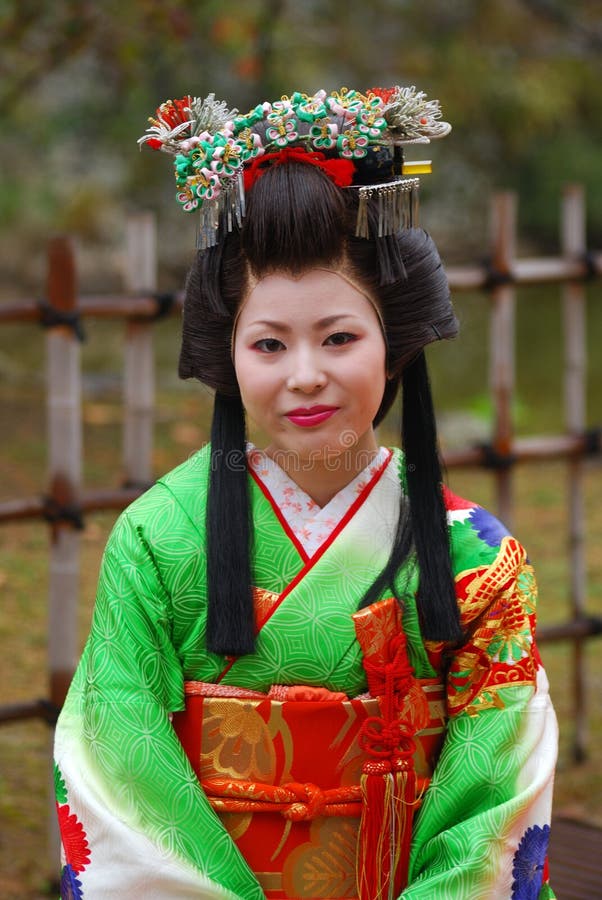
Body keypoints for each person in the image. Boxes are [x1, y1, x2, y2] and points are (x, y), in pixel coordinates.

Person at [54, 86, 557, 899]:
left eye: (339, 337)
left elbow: (495, 805)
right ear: (230, 355)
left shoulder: (477, 558)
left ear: (392, 345)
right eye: (269, 343)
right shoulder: (158, 539)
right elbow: (116, 771)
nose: (306, 375)